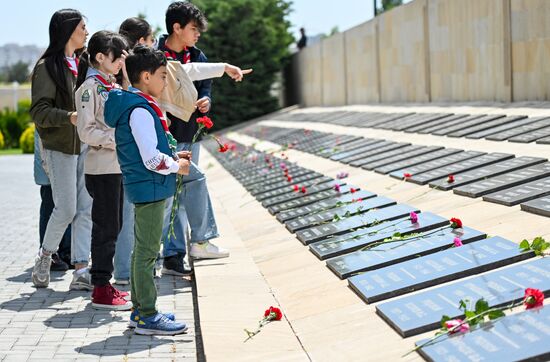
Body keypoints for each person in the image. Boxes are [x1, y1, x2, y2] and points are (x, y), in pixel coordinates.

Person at [104, 45, 191, 335]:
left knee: (143, 251)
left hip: (148, 187)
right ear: (145, 75)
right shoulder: (139, 110)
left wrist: (174, 158)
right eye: (163, 75)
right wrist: (175, 165)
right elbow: (151, 158)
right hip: (150, 187)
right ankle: (147, 315)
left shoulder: (137, 104)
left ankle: (141, 311)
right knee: (147, 253)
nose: (166, 81)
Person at [159, 1, 225, 276]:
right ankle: (174, 254)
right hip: (166, 137)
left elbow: (205, 85)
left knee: (186, 194)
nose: (198, 34)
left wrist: (206, 99)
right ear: (177, 28)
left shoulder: (198, 55)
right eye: (194, 29)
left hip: (191, 135)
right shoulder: (155, 56)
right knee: (172, 196)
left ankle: (184, 250)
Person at [30, 9, 93, 290]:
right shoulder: (47, 67)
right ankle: (45, 256)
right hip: (59, 147)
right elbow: (40, 112)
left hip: (83, 145)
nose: (86, 31)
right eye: (82, 27)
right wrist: (68, 117)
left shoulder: (80, 63)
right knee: (66, 209)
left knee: (85, 209)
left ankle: (81, 270)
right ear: (68, 30)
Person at [74, 30, 132, 310]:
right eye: (117, 56)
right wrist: (116, 140)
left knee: (114, 225)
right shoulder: (88, 89)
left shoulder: (111, 85)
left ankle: (104, 284)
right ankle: (100, 288)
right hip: (101, 169)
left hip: (115, 166)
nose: (122, 61)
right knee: (105, 228)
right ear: (100, 57)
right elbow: (86, 131)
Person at [112, 17, 157, 286]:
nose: (152, 45)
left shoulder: (118, 67)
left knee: (126, 214)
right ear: (141, 41)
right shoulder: (127, 74)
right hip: (128, 153)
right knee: (128, 215)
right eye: (151, 40)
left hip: (122, 152)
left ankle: (127, 270)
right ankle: (127, 272)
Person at [34, 129, 72, 271]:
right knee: (50, 207)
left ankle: (66, 252)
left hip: (65, 160)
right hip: (48, 162)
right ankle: (49, 255)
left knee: (68, 207)